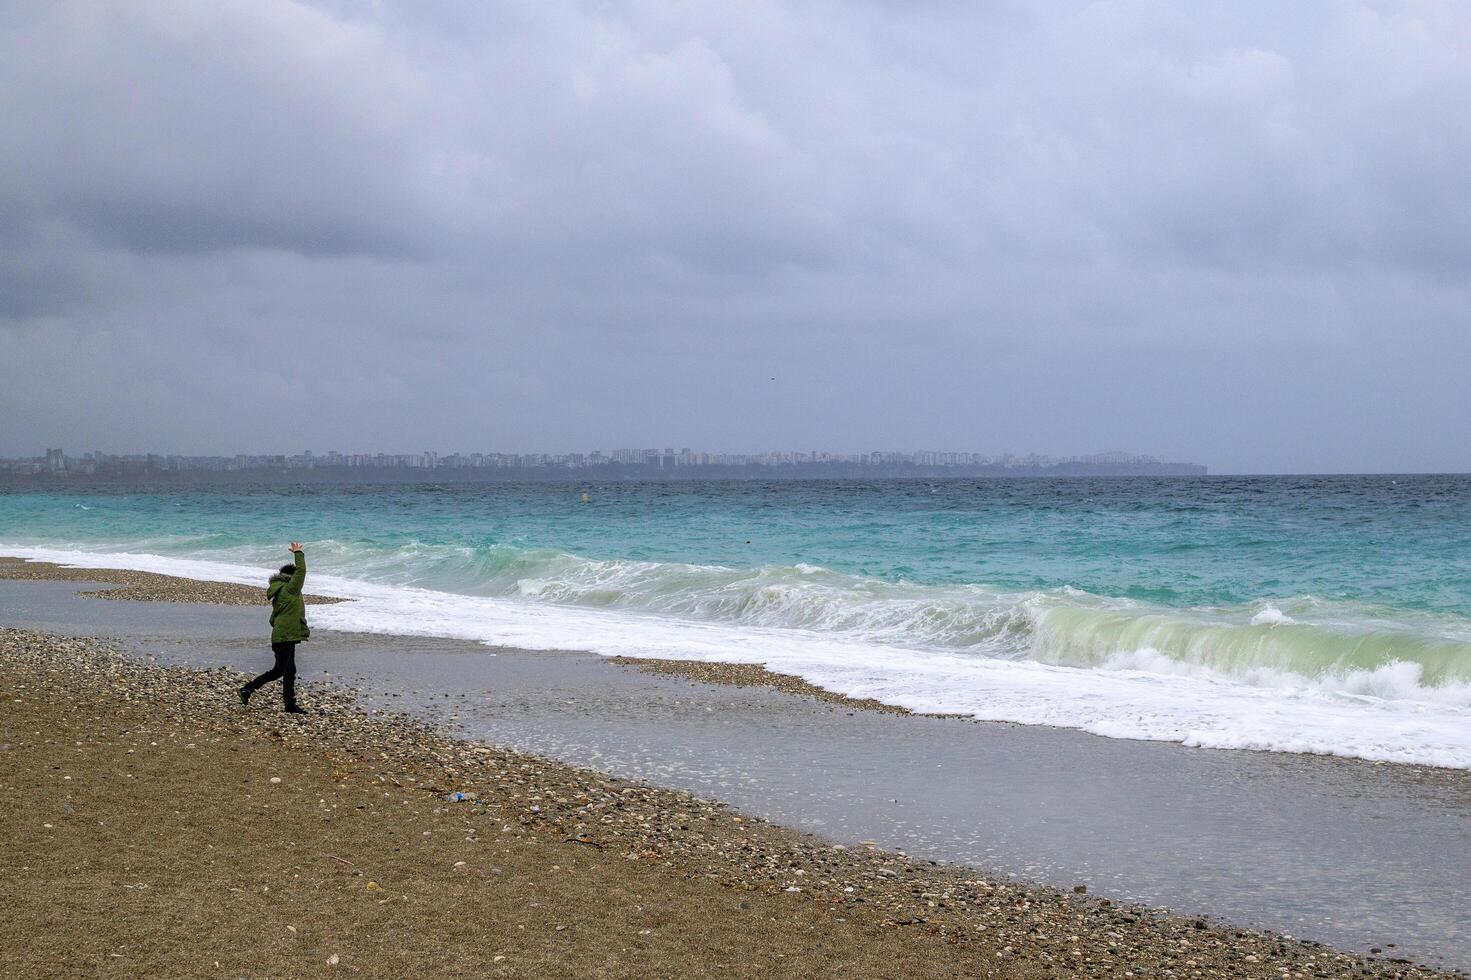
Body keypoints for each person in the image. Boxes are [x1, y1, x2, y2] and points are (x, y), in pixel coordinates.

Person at [239, 542, 310, 713]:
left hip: (284, 635)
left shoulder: (280, 592)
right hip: (285, 636)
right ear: (291, 578)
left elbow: (274, 618)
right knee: (279, 670)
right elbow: (301, 572)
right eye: (296, 579)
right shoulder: (290, 589)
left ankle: (290, 705)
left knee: (290, 671)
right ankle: (248, 688)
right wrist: (298, 553)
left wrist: (283, 627)